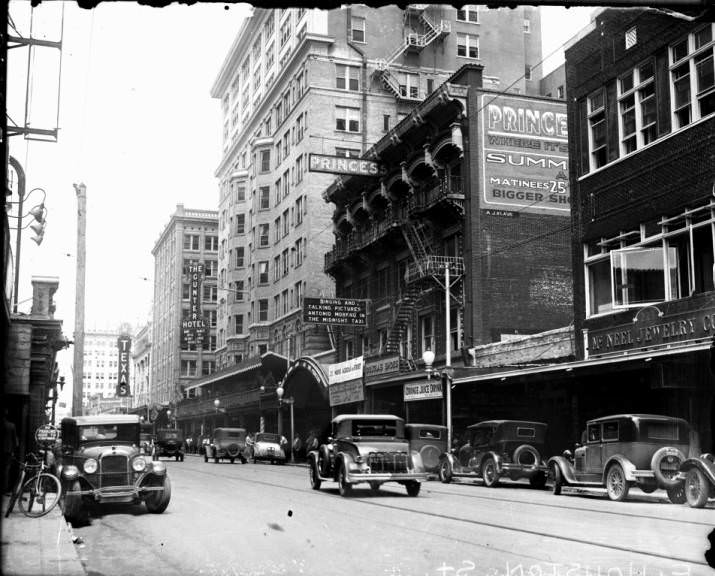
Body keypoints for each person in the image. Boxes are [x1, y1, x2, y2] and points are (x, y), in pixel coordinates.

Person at [3, 409, 19, 494]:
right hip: (8, 451)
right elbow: (15, 441)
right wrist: (13, 451)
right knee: (6, 471)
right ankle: (5, 489)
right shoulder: (11, 425)